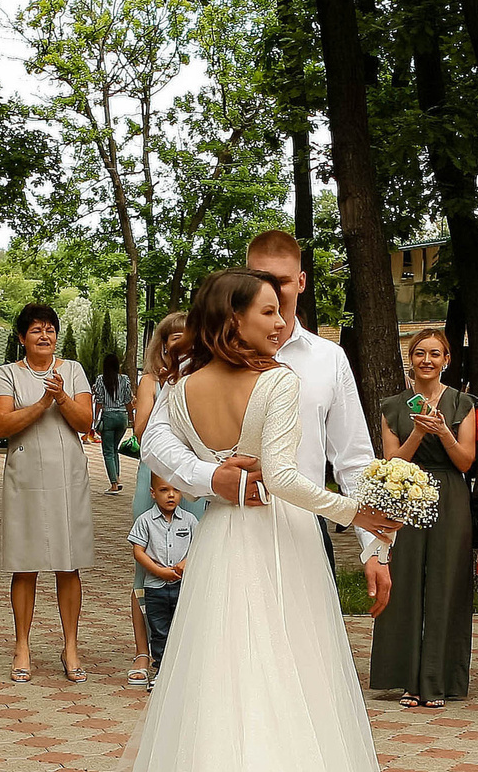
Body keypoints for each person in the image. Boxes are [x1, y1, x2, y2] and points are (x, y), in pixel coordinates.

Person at [71, 269, 469, 772]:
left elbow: (157, 446)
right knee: (288, 693)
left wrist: (210, 477)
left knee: (220, 696)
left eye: (282, 308)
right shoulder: (278, 383)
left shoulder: (182, 387)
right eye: (268, 310)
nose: (282, 320)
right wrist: (356, 513)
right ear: (235, 320)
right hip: (279, 547)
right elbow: (284, 480)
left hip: (221, 545)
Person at [137, 231, 390, 614]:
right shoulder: (197, 361)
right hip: (225, 528)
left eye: (281, 281)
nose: (270, 289)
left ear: (301, 282)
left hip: (304, 528)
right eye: (259, 277)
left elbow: (354, 458)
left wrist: (373, 546)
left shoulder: (329, 359)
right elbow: (155, 442)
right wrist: (211, 476)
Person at [369, 327, 478, 707]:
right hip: (408, 494)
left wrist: (444, 432)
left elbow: (466, 461)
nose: (427, 360)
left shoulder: (463, 403)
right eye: (420, 353)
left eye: (435, 353)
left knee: (446, 583)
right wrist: (417, 432)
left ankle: (437, 679)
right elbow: (393, 462)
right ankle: (407, 679)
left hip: (450, 495)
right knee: (406, 581)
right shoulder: (392, 406)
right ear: (411, 358)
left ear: (446, 359)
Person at [0, 302, 96, 684]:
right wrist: (43, 402)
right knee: (25, 562)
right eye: (36, 330)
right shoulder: (8, 374)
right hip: (25, 477)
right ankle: (22, 646)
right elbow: (2, 424)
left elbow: (85, 421)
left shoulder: (73, 371)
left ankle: (71, 646)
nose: (44, 336)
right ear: (22, 338)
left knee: (69, 563)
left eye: (50, 329)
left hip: (67, 475)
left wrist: (62, 397)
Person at [126, 313, 191, 686]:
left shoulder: (203, 379)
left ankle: (182, 650)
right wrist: (165, 389)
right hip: (154, 477)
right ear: (162, 344)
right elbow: (141, 431)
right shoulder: (150, 380)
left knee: (193, 561)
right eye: (172, 336)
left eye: (186, 335)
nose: (179, 342)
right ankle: (143, 650)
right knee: (146, 565)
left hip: (192, 482)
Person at [129, 475, 196, 677]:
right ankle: (161, 670)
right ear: (153, 493)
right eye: (164, 490)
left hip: (182, 585)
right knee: (159, 630)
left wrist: (185, 564)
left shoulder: (190, 520)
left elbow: (198, 545)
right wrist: (158, 571)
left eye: (176, 490)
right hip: (155, 587)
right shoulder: (145, 521)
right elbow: (138, 551)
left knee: (181, 626)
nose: (171, 495)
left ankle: (181, 670)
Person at [92, 351, 134, 495]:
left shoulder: (100, 379)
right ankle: (117, 477)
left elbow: (99, 402)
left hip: (108, 416)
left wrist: (95, 420)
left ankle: (114, 484)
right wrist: (131, 419)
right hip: (122, 417)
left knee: (108, 451)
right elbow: (128, 400)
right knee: (114, 449)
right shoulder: (125, 379)